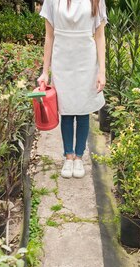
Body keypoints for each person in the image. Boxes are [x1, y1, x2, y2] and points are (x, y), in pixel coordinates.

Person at [37, 0, 108, 179]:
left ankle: (79, 156)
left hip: (86, 60)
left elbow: (100, 36)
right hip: (62, 60)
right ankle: (68, 156)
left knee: (83, 110)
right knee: (66, 110)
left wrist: (101, 71)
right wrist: (45, 71)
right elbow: (49, 36)